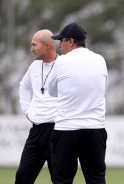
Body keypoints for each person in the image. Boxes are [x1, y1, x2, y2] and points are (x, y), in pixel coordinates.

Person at [48, 22, 108, 184]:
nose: (59, 45)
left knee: (62, 180)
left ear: (71, 41)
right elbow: (103, 89)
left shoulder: (61, 62)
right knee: (96, 179)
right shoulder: (100, 60)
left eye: (61, 41)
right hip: (95, 128)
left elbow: (52, 90)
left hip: (67, 128)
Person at [15, 29, 59, 184]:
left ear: (47, 46)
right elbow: (23, 87)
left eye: (34, 45)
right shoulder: (34, 66)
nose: (31, 49)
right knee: (22, 178)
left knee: (59, 180)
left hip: (58, 132)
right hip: (36, 132)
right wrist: (27, 111)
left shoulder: (64, 66)